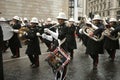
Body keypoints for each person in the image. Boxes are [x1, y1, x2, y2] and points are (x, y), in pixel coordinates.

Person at [43, 12, 70, 80]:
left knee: (63, 64)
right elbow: (53, 38)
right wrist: (46, 36)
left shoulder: (65, 27)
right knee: (55, 64)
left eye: (61, 19)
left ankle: (63, 78)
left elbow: (60, 37)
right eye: (58, 19)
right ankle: (57, 76)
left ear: (64, 20)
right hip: (56, 47)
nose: (59, 20)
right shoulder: (58, 27)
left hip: (62, 48)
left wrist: (49, 32)